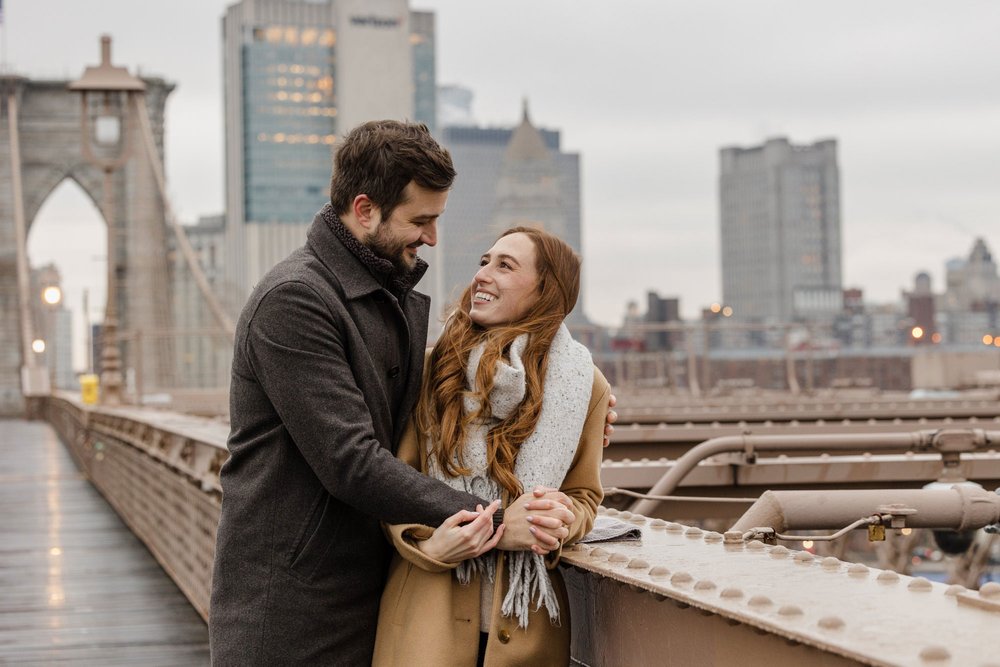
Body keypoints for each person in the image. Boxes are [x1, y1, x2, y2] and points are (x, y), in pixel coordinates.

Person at [209, 121, 613, 665]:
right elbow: (351, 460)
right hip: (292, 601)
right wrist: (494, 518)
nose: (433, 239)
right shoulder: (295, 302)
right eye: (421, 220)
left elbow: (402, 433)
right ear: (365, 209)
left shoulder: (384, 297)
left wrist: (579, 407)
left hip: (370, 590)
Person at [373, 226, 609, 666]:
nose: (482, 274)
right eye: (484, 262)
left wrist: (552, 520)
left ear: (545, 290)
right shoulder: (429, 369)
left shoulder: (584, 386)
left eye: (505, 266)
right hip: (427, 610)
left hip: (525, 628)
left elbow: (584, 496)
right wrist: (429, 545)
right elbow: (392, 480)